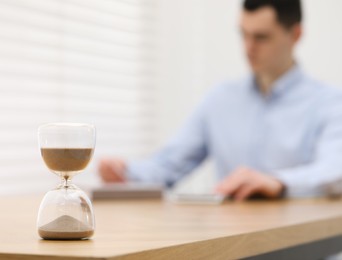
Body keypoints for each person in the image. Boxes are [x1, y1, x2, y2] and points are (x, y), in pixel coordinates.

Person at [98, 0, 342, 200]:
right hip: (234, 247)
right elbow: (169, 166)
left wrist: (278, 182)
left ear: (296, 35)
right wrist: (126, 172)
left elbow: (335, 172)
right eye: (243, 35)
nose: (248, 47)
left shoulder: (329, 103)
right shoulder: (220, 100)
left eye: (261, 37)